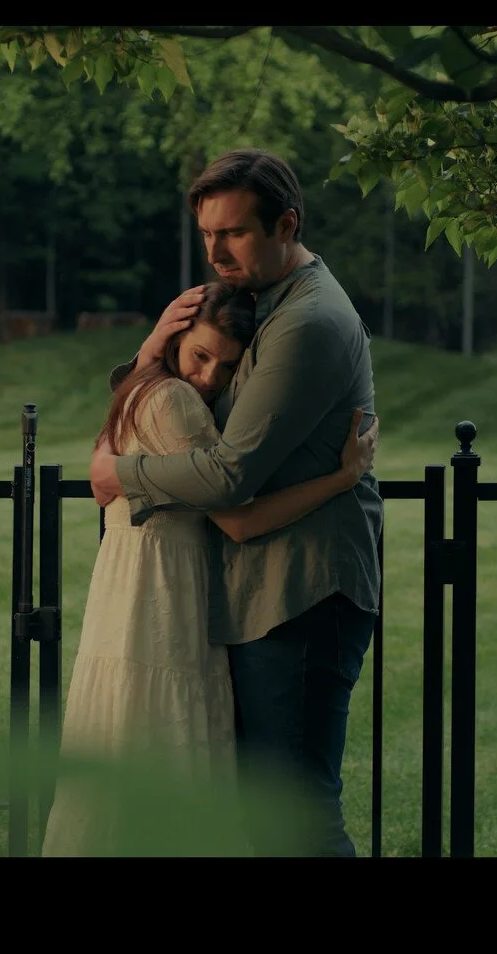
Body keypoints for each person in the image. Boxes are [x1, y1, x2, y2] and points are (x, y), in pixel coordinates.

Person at [89, 148, 384, 857]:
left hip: (302, 595)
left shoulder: (306, 322)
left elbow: (228, 477)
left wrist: (118, 476)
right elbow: (178, 405)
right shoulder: (260, 302)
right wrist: (151, 346)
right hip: (263, 594)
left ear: (287, 224)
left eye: (236, 233)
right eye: (207, 235)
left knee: (297, 820)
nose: (217, 252)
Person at [42, 281, 376, 857]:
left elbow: (107, 470)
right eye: (200, 355)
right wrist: (341, 481)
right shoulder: (176, 403)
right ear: (176, 336)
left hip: (132, 592)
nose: (209, 378)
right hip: (163, 594)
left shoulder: (142, 388)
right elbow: (238, 520)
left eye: (226, 368)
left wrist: (148, 353)